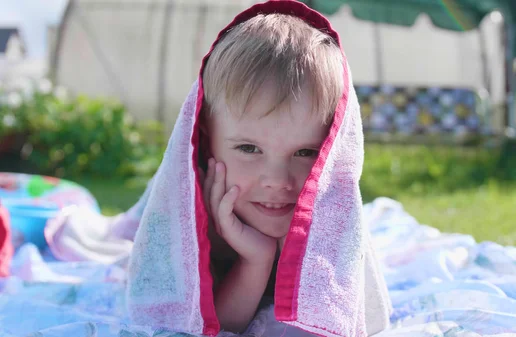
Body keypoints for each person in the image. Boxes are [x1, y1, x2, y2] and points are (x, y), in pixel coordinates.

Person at [126, 1, 391, 336]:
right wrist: (256, 262)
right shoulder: (184, 222)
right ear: (206, 139)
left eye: (306, 152)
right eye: (249, 149)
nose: (278, 181)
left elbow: (352, 317)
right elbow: (199, 324)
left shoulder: (328, 222)